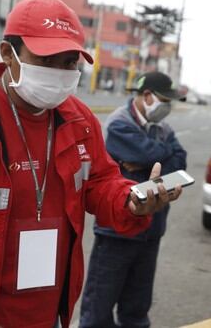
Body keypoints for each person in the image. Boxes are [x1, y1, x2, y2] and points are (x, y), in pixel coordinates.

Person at [0, 0, 181, 327]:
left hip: (50, 313)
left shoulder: (79, 121)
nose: (59, 74)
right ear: (7, 53)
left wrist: (130, 200)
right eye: (46, 59)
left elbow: (100, 181)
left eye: (69, 62)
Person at [79, 72, 187, 328]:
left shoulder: (163, 127)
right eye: (164, 99)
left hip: (152, 231)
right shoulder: (119, 122)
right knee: (98, 312)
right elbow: (157, 154)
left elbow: (180, 162)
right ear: (147, 95)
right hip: (116, 232)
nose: (168, 107)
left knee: (137, 311)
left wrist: (144, 161)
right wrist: (159, 154)